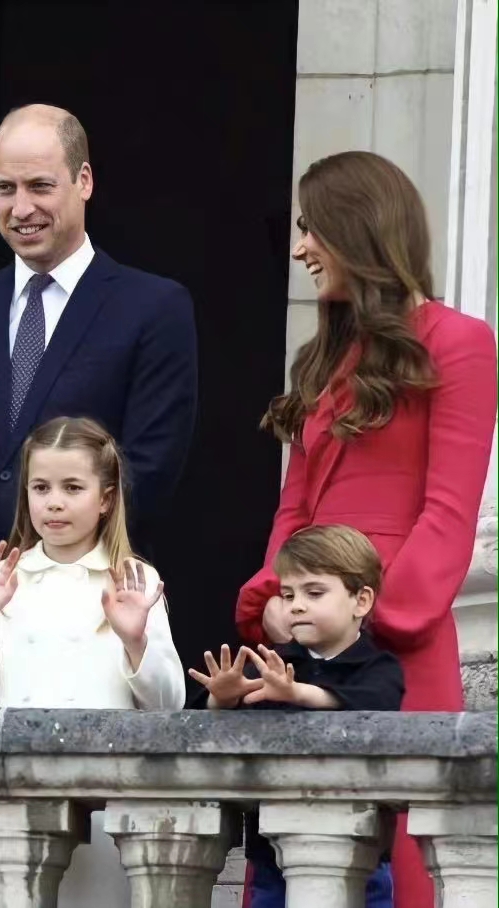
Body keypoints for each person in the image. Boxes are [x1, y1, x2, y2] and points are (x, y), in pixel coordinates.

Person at [234, 150, 497, 907]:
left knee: (401, 869)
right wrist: (273, 601)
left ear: (359, 228)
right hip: (314, 638)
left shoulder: (458, 340)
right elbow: (295, 509)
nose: (299, 248)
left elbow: (448, 511)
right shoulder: (322, 358)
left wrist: (375, 618)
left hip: (397, 643)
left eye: (312, 228)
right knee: (296, 862)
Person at [0, 104, 197, 557]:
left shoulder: (154, 309)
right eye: (5, 189)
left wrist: (52, 559)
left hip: (88, 595)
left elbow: (148, 468)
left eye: (40, 186)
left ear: (84, 181)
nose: (22, 208)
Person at [0, 416, 185, 907]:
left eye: (72, 487)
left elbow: (169, 706)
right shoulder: (4, 577)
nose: (54, 501)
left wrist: (136, 640)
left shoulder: (133, 578)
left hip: (102, 810)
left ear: (105, 497)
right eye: (41, 487)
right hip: (12, 801)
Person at [195, 525, 404, 908]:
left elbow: (374, 705)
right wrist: (221, 699)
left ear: (361, 600)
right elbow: (198, 725)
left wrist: (298, 693)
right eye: (288, 594)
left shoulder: (379, 667)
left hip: (361, 853)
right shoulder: (277, 662)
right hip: (272, 854)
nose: (296, 606)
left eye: (314, 593)